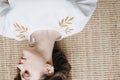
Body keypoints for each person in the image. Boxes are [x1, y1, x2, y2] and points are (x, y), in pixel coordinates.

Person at [0, 0, 97, 80]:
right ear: (48, 70)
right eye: (26, 73)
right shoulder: (77, 21)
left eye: (19, 71)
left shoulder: (6, 27)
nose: (19, 66)